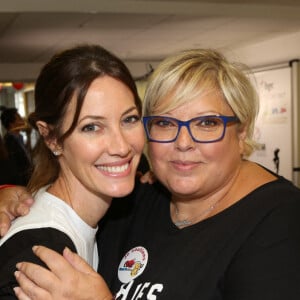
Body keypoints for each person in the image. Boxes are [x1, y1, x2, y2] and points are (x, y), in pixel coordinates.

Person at [1, 48, 300, 300]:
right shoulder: (134, 201)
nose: (183, 143)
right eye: (165, 123)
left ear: (242, 130)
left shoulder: (279, 222)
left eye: (207, 123)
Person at [0, 44, 145, 299]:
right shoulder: (41, 262)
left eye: (129, 119)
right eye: (91, 127)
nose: (122, 146)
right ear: (52, 138)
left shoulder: (100, 220)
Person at [0, 107, 32, 185]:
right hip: (21, 183)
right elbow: (15, 167)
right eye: (19, 118)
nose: (22, 119)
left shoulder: (19, 137)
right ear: (11, 123)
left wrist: (29, 136)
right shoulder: (9, 141)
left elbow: (27, 155)